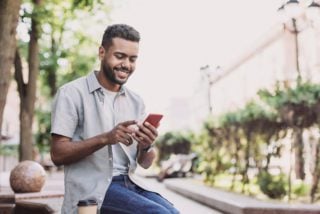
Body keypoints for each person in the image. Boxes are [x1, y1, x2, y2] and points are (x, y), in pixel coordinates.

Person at [50, 24, 179, 214]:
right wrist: (106, 138)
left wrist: (146, 145)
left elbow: (145, 162)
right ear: (102, 52)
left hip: (130, 183)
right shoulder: (71, 93)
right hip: (93, 189)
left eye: (132, 59)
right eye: (120, 56)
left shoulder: (136, 101)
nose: (126, 64)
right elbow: (57, 154)